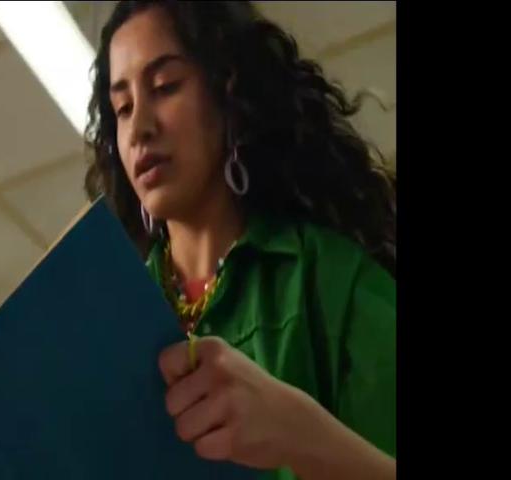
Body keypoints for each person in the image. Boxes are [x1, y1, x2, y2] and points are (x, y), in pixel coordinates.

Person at [83, 2, 396, 479]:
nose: (139, 127)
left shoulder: (333, 281)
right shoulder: (105, 325)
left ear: (229, 93)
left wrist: (300, 433)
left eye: (165, 86)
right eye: (122, 108)